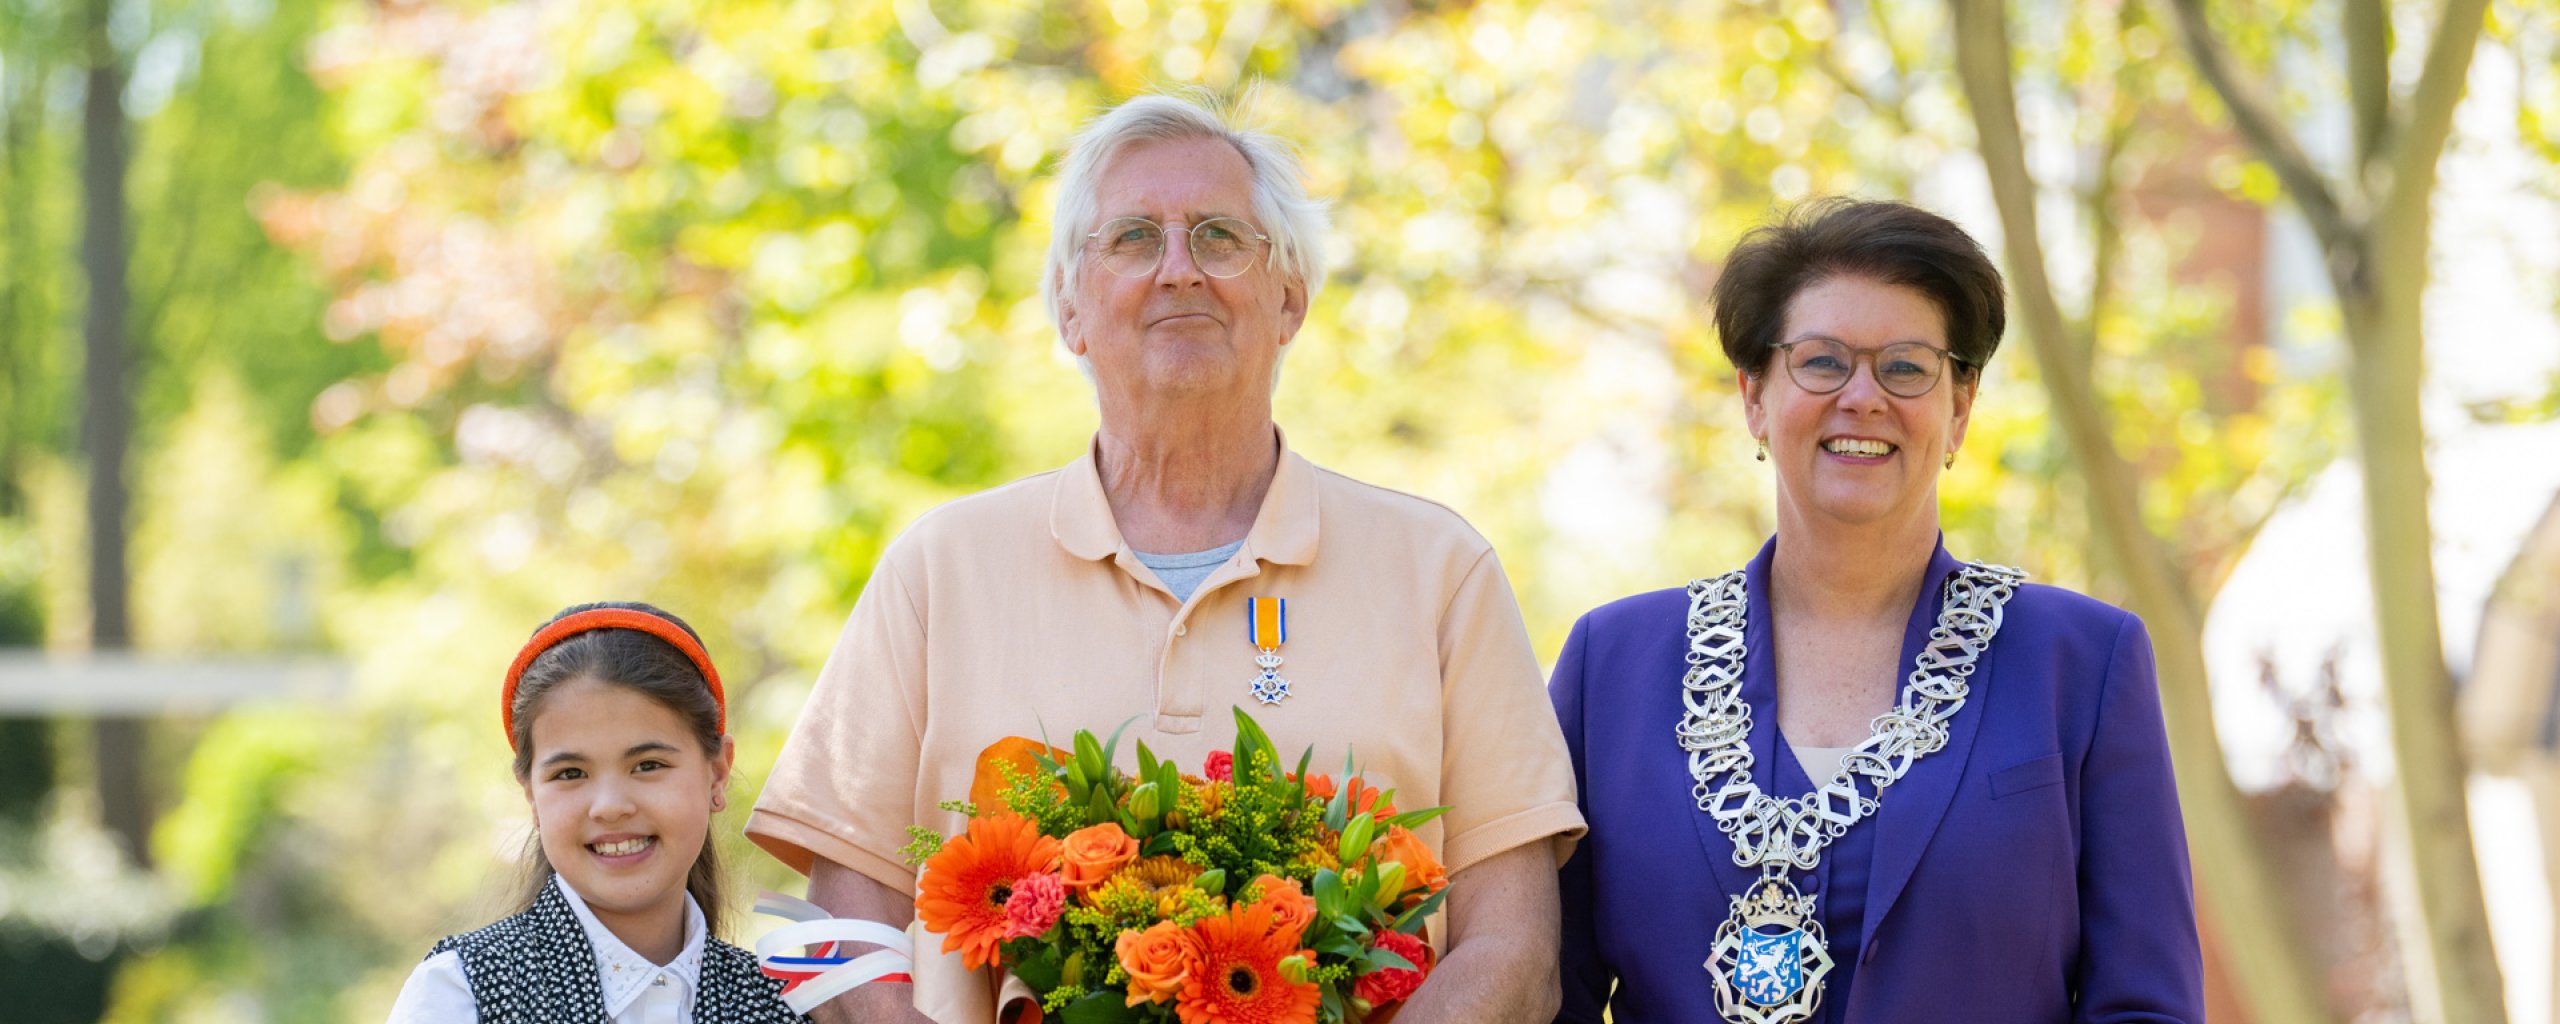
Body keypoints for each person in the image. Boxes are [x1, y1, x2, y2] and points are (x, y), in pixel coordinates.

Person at [747, 92, 1584, 1024]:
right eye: (1135, 238)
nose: (1179, 270)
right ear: (1070, 307)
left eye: (1221, 236)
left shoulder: (1440, 572)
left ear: (1290, 299)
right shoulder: (940, 570)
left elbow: (1515, 951)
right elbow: (829, 922)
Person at [1549, 198, 2203, 1023]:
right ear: (1754, 396)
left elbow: (2143, 1005)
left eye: (1906, 366)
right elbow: (1548, 995)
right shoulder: (1611, 666)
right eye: (1821, 362)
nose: (1863, 397)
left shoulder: (2083, 661)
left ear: (1959, 407)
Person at [388, 602, 804, 1023]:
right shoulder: (461, 993)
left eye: (648, 765)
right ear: (531, 794)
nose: (609, 807)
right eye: (571, 773)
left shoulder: (788, 1007)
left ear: (717, 774)